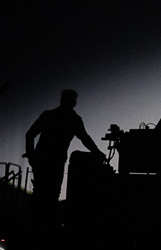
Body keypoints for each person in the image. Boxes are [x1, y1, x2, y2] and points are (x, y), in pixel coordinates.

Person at [24, 89, 105, 223]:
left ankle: (33, 225)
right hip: (54, 162)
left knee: (40, 193)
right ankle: (44, 227)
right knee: (51, 194)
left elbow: (30, 135)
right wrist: (97, 152)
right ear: (74, 103)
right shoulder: (73, 119)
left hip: (43, 161)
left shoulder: (50, 115)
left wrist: (32, 155)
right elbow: (84, 138)